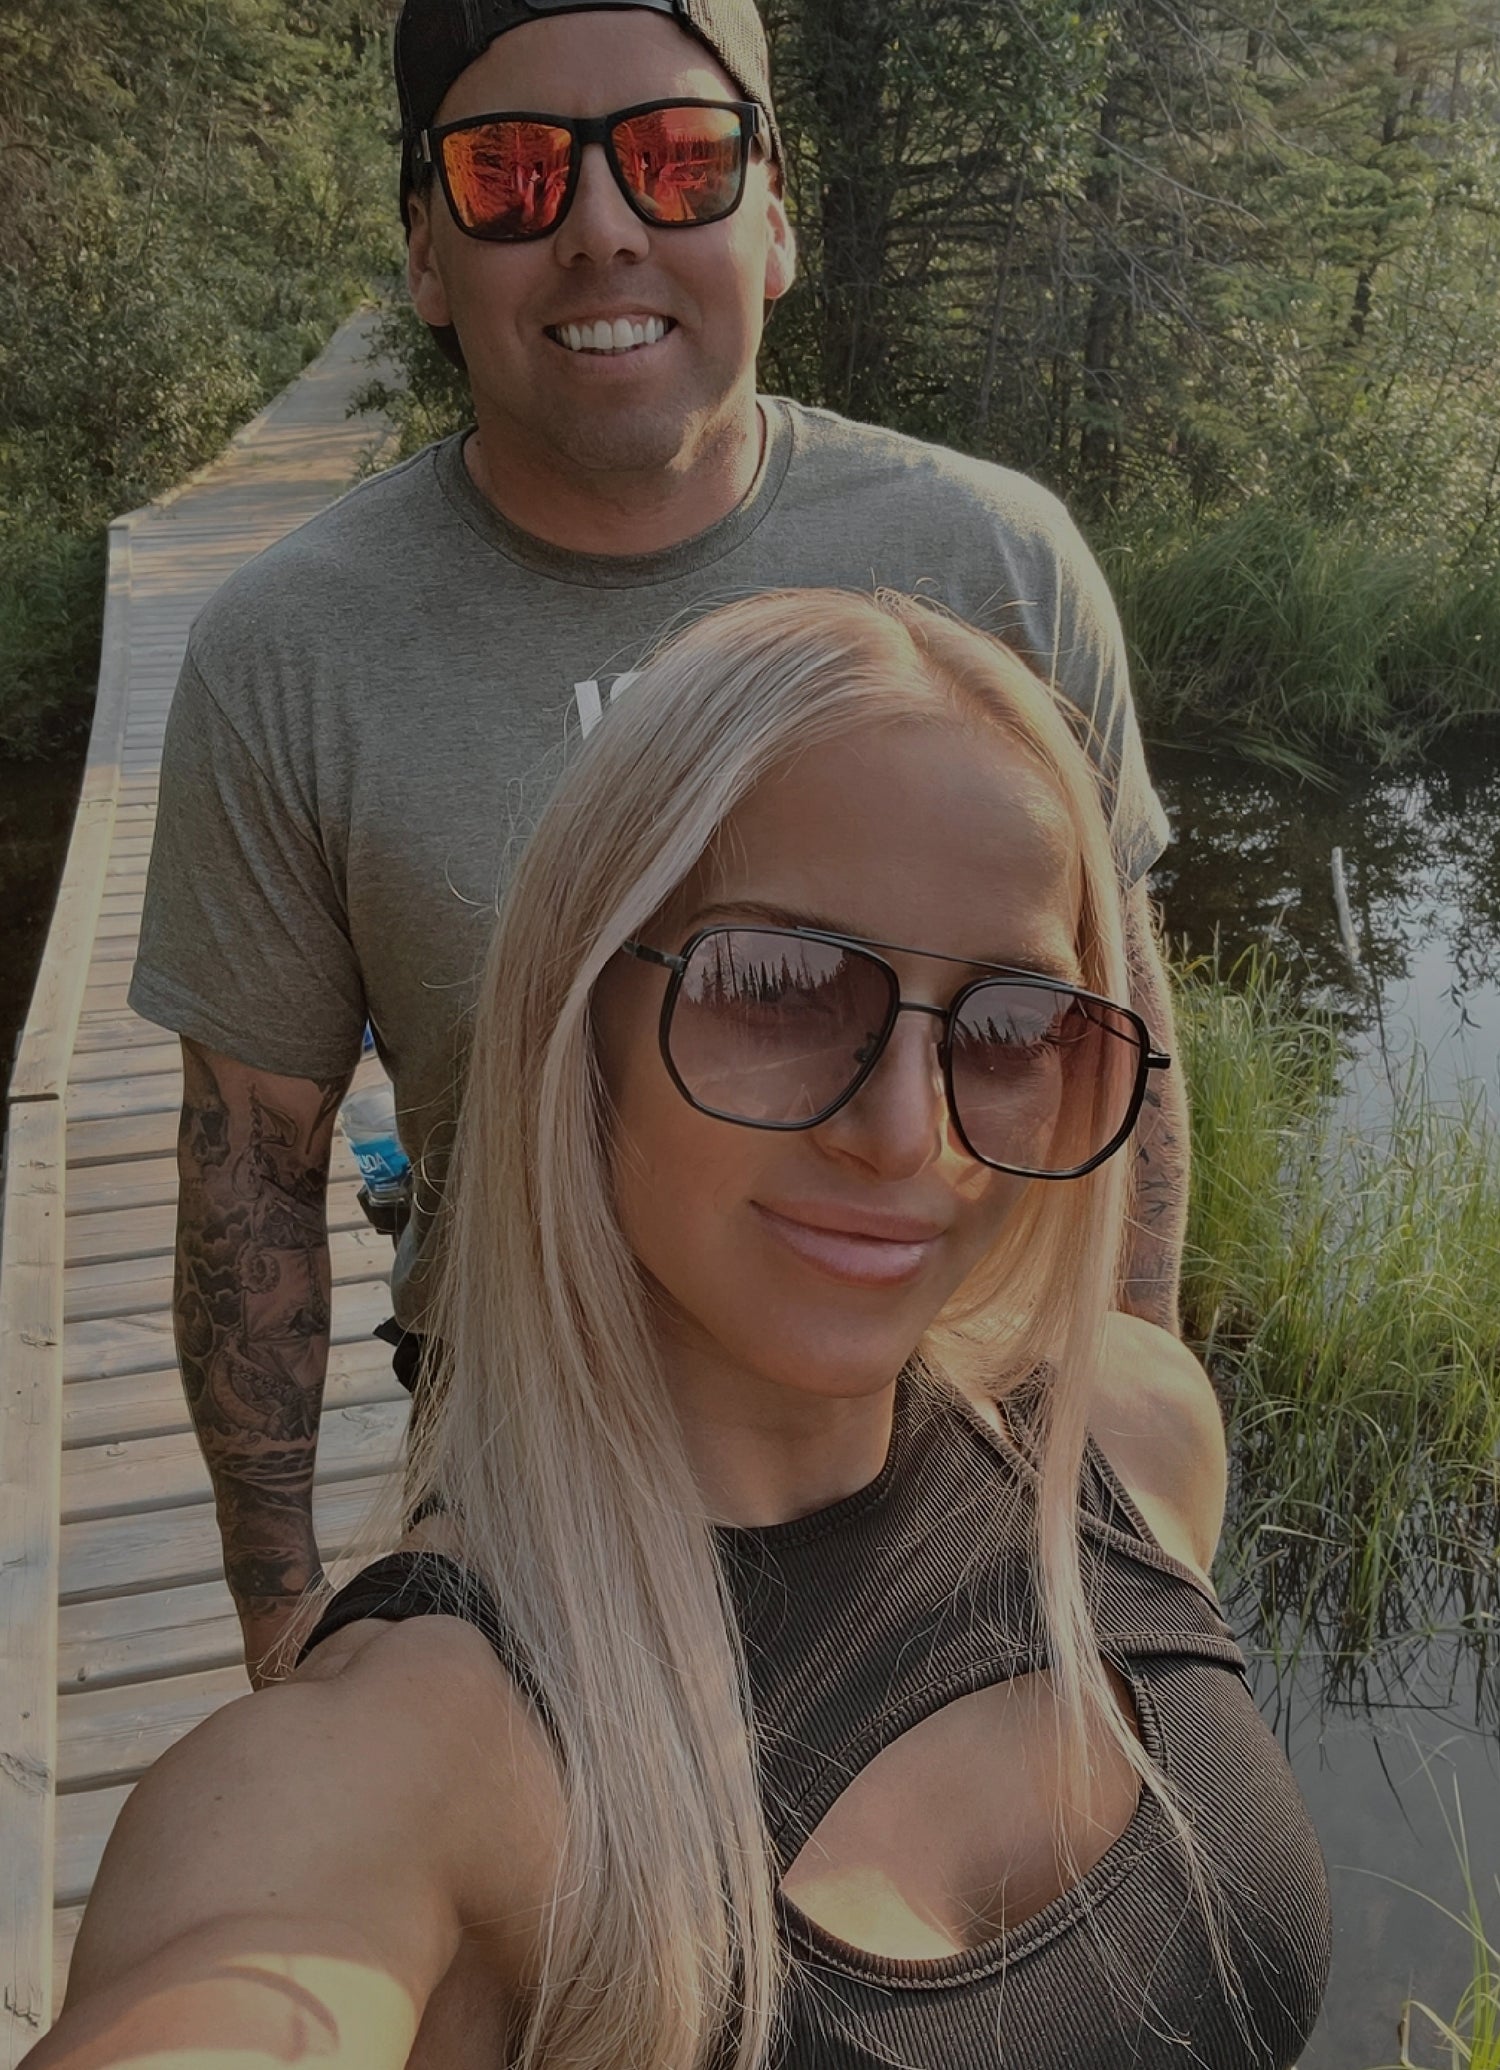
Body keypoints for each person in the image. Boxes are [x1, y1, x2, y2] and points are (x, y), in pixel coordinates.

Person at [34, 593, 1327, 2070]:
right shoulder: (409, 1760)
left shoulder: (1136, 1439)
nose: (907, 1135)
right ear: (573, 1019)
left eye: (1016, 1023)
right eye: (775, 989)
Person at [128, 0, 1191, 1686]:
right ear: (425, 249)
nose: (604, 224)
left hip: (963, 1478)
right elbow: (251, 1161)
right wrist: (283, 1617)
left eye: (681, 158)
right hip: (540, 1519)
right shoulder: (293, 651)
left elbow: (1115, 1037)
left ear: (774, 217)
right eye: (514, 171)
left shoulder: (994, 560)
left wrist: (1118, 1463)